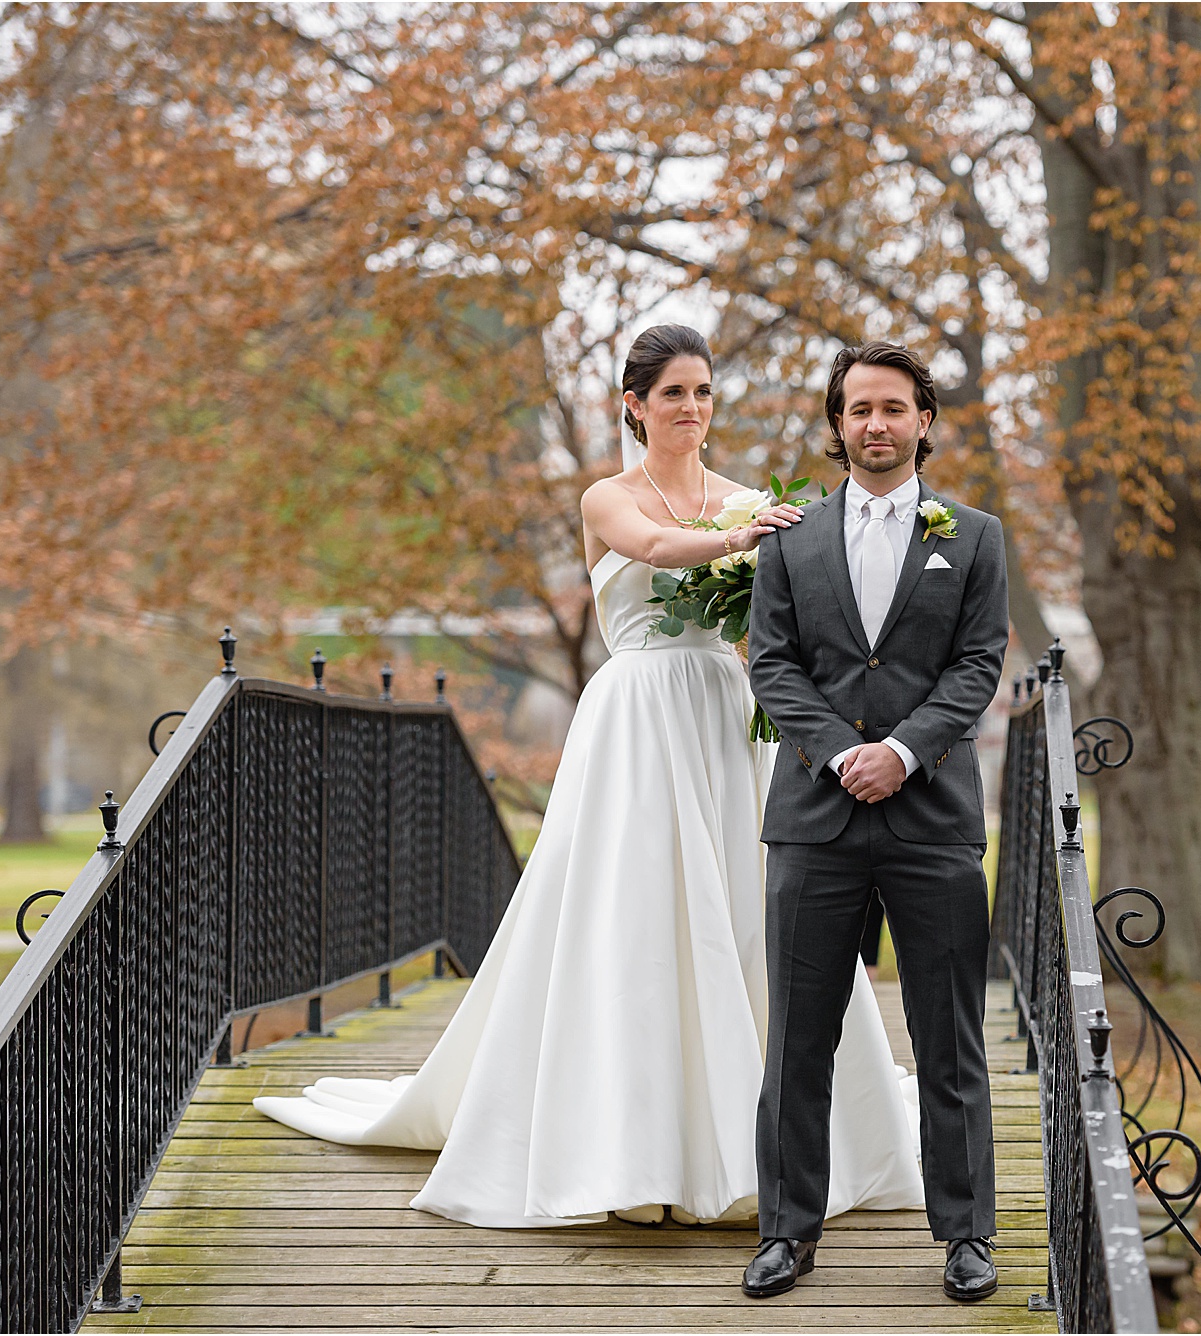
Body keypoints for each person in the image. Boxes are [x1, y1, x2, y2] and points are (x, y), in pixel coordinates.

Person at [252, 325, 925, 1229]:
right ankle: (630, 1148)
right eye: (675, 393)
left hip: (726, 718)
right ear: (634, 405)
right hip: (640, 715)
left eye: (704, 392)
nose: (693, 409)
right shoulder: (610, 497)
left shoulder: (751, 498)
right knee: (636, 912)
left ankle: (757, 1138)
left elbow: (760, 627)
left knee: (749, 905)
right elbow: (653, 549)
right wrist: (743, 535)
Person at [741, 340, 1010, 1302]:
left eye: (893, 408)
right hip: (814, 818)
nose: (876, 425)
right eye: (858, 410)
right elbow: (771, 663)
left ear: (924, 420)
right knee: (798, 1041)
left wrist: (901, 752)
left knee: (950, 1037)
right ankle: (788, 1231)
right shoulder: (791, 539)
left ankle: (968, 1234)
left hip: (932, 817)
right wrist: (837, 754)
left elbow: (978, 666)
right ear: (836, 422)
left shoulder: (973, 538)